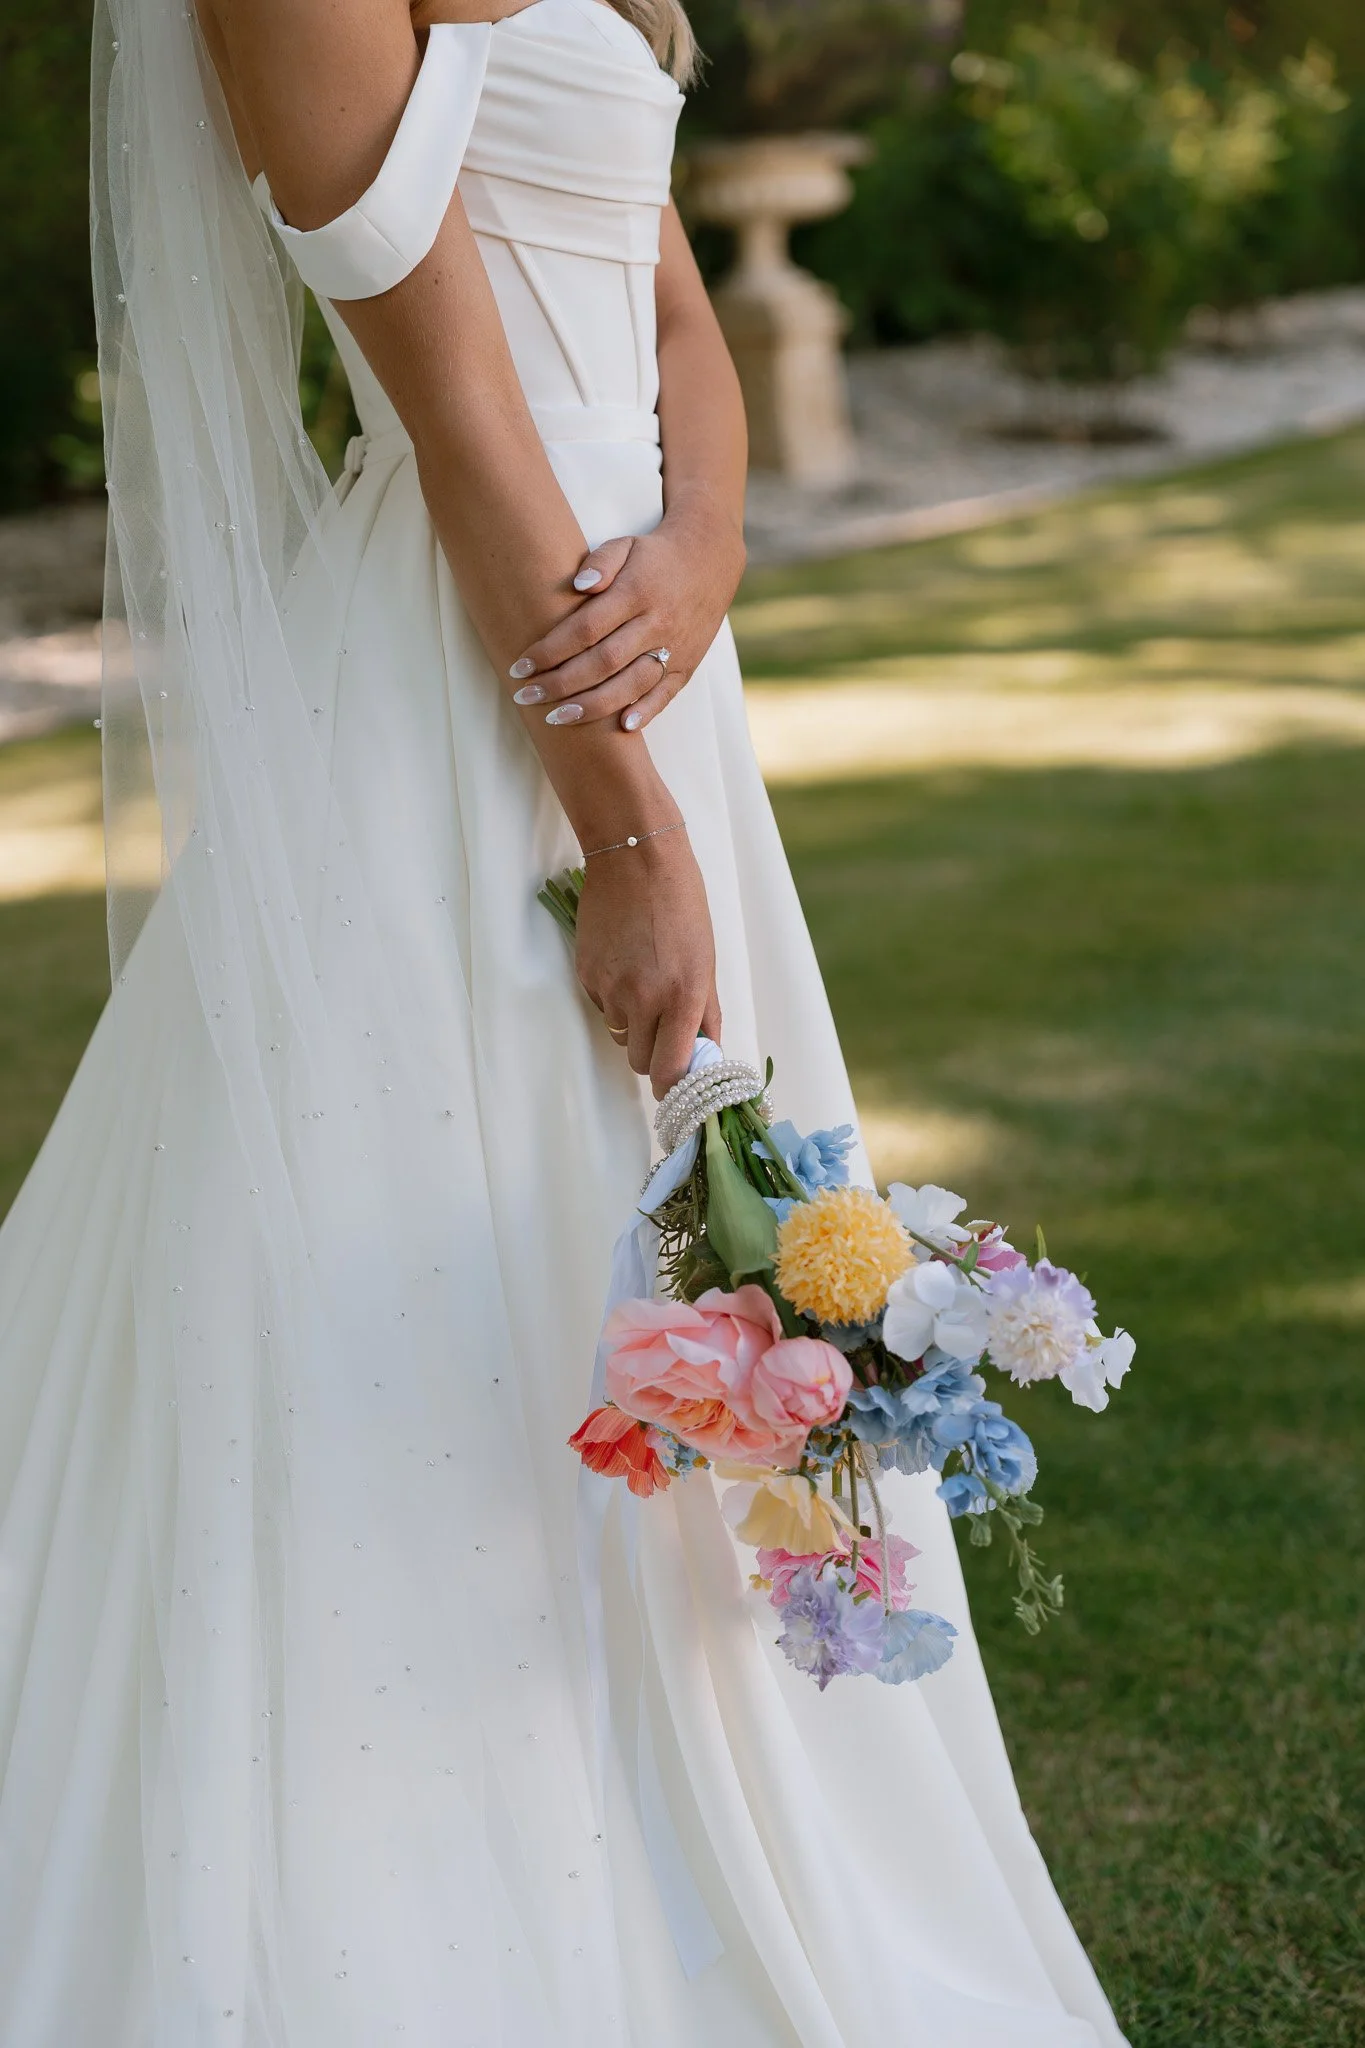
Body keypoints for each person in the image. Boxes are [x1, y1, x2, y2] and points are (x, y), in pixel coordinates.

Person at [0, 0, 1129, 2039]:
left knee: (651, 1208)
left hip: (639, 646)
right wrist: (623, 828)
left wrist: (703, 551)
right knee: (418, 1256)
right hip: (481, 670)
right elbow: (456, 418)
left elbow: (668, 297)